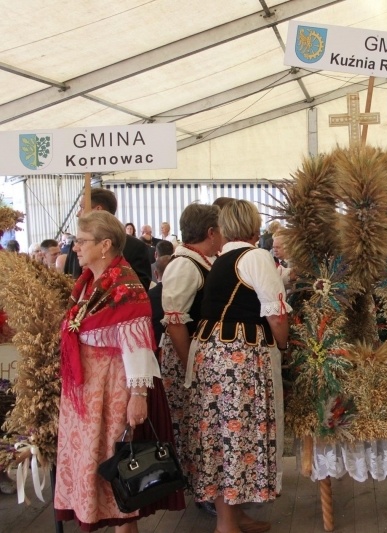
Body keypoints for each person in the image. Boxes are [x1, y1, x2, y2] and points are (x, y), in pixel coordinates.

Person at [54, 211, 184, 532]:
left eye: (82, 242)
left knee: (120, 468)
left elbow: (139, 347)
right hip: (87, 388)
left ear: (105, 245)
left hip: (113, 385)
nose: (75, 248)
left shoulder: (125, 286)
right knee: (97, 464)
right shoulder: (88, 283)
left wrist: (138, 397)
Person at [186, 200, 289, 533]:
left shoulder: (221, 259)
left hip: (213, 355)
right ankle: (227, 525)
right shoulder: (255, 256)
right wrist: (284, 344)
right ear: (253, 225)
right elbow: (275, 312)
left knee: (221, 437)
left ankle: (233, 516)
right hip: (238, 359)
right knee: (237, 436)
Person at [159, 204, 221, 516]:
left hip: (194, 355)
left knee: (198, 425)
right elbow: (174, 321)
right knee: (190, 426)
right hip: (184, 356)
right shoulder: (184, 265)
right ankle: (200, 491)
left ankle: (205, 488)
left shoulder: (198, 262)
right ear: (211, 232)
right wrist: (189, 366)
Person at [65, 188, 152, 288]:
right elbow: (67, 280)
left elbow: (139, 290)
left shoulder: (135, 247)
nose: (78, 214)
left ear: (98, 210)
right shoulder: (76, 244)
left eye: (82, 207)